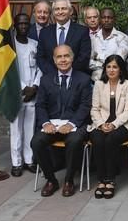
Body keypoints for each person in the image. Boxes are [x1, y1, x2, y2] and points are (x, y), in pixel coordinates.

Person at [31, 45, 92, 197]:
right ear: (54, 60)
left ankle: (69, 181)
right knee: (36, 142)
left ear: (72, 58)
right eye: (59, 57)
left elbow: (86, 106)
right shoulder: (45, 80)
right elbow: (40, 105)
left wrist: (71, 124)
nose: (63, 60)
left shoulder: (83, 79)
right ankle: (51, 180)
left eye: (66, 56)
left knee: (74, 141)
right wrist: (46, 123)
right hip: (52, 124)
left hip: (74, 124)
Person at [88, 55, 128, 199]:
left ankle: (111, 180)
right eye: (108, 66)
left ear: (121, 69)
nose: (111, 70)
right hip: (101, 123)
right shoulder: (99, 84)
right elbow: (94, 109)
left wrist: (113, 125)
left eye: (115, 67)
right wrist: (101, 124)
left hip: (122, 124)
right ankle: (102, 180)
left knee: (111, 139)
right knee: (98, 139)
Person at [10, 13, 41, 177]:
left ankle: (29, 160)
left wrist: (34, 86)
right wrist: (24, 88)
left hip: (32, 93)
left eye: (26, 24)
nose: (23, 26)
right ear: (15, 25)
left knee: (30, 128)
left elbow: (40, 67)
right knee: (16, 129)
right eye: (20, 23)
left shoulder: (35, 44)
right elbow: (9, 72)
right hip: (16, 93)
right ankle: (16, 162)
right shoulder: (10, 46)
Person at [36, 0, 91, 75]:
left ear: (70, 11)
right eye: (57, 9)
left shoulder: (82, 31)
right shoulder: (44, 32)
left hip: (75, 78)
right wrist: (56, 74)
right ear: (53, 12)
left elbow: (84, 57)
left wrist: (67, 73)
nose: (60, 12)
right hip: (51, 78)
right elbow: (40, 57)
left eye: (64, 8)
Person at [89, 8, 128, 82]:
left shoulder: (122, 38)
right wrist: (107, 60)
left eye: (109, 17)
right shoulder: (93, 39)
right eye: (103, 17)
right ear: (100, 19)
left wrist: (98, 58)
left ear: (114, 19)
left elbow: (118, 60)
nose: (106, 20)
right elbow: (89, 61)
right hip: (96, 82)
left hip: (116, 82)